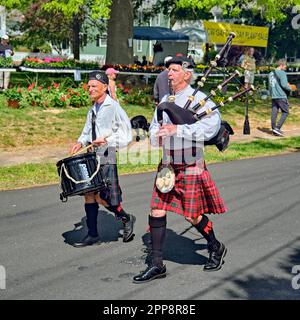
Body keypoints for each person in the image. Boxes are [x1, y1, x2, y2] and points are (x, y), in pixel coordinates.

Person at [133, 57, 227, 284]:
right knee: (157, 209)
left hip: (190, 162)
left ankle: (215, 246)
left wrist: (178, 129)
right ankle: (157, 264)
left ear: (187, 74)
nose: (169, 74)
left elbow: (209, 129)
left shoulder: (202, 100)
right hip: (168, 162)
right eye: (168, 70)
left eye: (174, 70)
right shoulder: (166, 99)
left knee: (192, 215)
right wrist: (154, 134)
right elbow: (156, 129)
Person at [70, 71, 136, 247]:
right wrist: (80, 141)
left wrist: (107, 140)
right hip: (90, 156)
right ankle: (92, 234)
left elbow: (127, 134)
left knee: (104, 197)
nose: (90, 89)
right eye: (89, 86)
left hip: (106, 155)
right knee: (89, 193)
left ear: (105, 87)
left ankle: (126, 218)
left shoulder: (114, 107)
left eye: (94, 86)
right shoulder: (93, 108)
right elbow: (87, 130)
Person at [268, 59, 295, 136]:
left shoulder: (271, 73)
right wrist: (291, 88)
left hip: (274, 96)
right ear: (281, 65)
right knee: (286, 112)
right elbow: (284, 85)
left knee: (274, 112)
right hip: (281, 95)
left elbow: (269, 86)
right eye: (285, 65)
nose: (286, 67)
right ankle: (277, 128)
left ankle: (274, 129)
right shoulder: (282, 73)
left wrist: (271, 94)